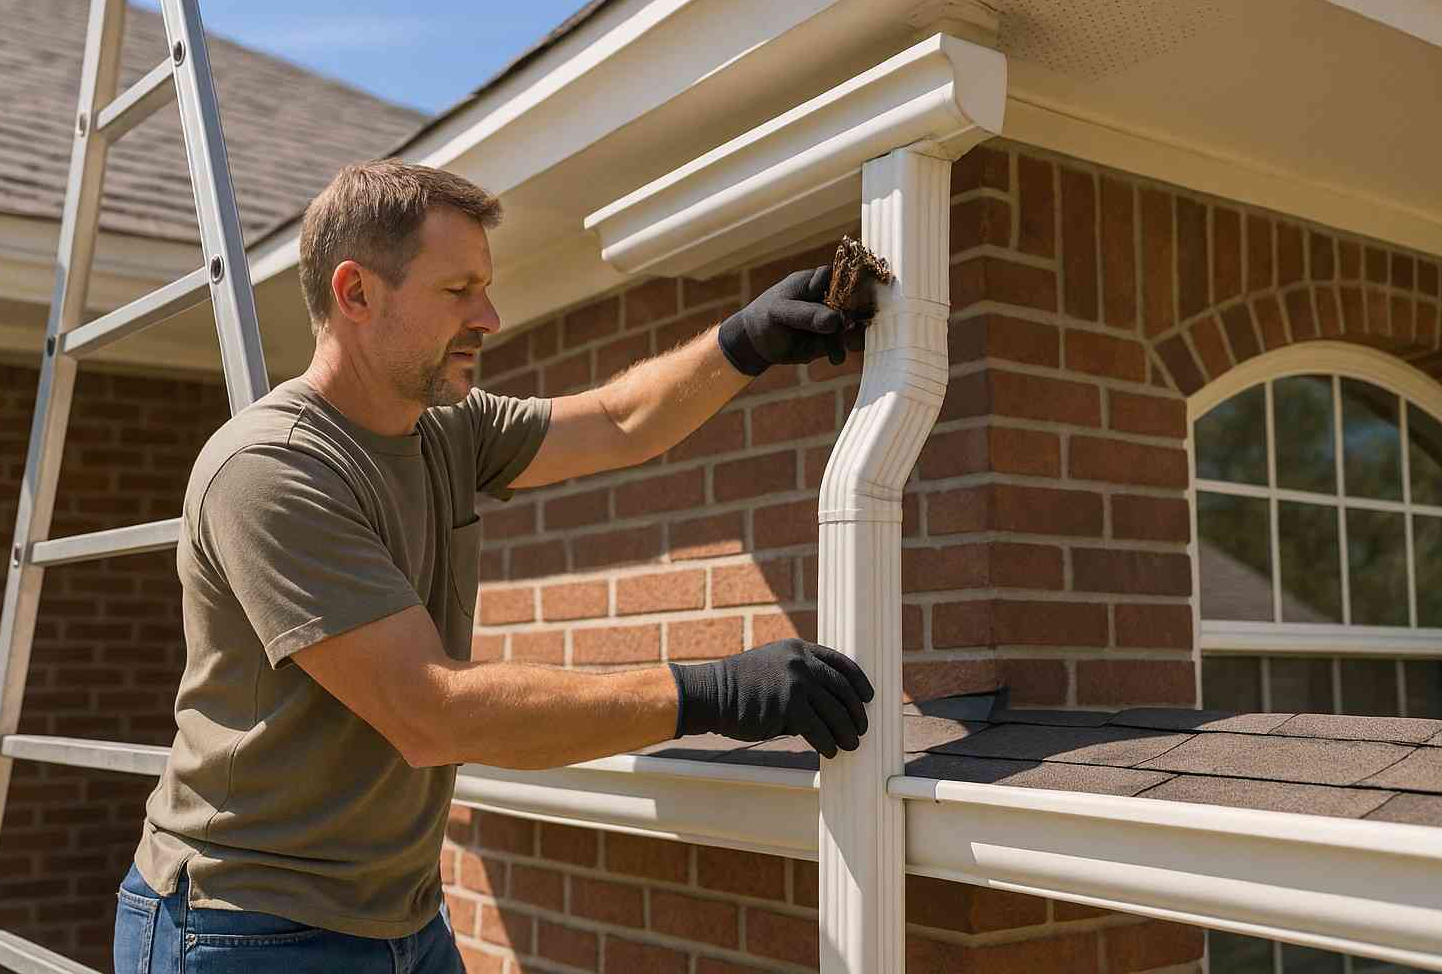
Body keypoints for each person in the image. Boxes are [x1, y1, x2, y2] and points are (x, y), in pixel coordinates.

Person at [113, 160, 875, 973]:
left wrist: (745, 340)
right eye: (458, 290)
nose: (491, 315)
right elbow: (429, 712)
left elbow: (620, 422)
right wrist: (716, 692)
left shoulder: (444, 427)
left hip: (403, 913)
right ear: (356, 292)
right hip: (249, 927)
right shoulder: (271, 469)